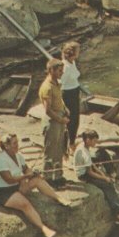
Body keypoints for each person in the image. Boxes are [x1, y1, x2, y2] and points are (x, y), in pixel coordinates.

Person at [0, 133, 70, 237]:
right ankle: (43, 228)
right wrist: (25, 177)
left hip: (17, 186)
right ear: (6, 146)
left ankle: (57, 198)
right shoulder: (0, 160)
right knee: (25, 204)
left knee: (38, 180)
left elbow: (26, 169)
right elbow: (9, 180)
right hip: (4, 192)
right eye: (14, 143)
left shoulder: (18, 156)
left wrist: (32, 173)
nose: (17, 145)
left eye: (17, 142)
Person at [74, 130, 119, 225]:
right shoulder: (84, 152)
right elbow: (90, 172)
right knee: (108, 185)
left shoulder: (84, 145)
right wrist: (104, 179)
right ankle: (118, 214)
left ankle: (111, 173)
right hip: (84, 175)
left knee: (101, 152)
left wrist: (103, 175)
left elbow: (94, 166)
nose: (96, 143)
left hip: (88, 168)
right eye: (94, 141)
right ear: (88, 140)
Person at [39, 58, 70, 187]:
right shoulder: (47, 87)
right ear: (51, 70)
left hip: (60, 117)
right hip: (52, 121)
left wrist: (65, 109)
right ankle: (47, 177)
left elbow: (60, 99)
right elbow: (48, 110)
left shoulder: (56, 83)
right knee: (50, 151)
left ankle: (57, 175)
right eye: (59, 70)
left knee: (59, 149)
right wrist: (61, 119)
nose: (62, 73)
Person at [61, 41, 81, 153]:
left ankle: (72, 141)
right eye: (78, 51)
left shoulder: (72, 62)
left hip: (74, 91)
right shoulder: (66, 66)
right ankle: (68, 145)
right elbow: (61, 83)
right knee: (70, 120)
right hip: (68, 94)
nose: (79, 53)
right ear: (73, 52)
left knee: (75, 119)